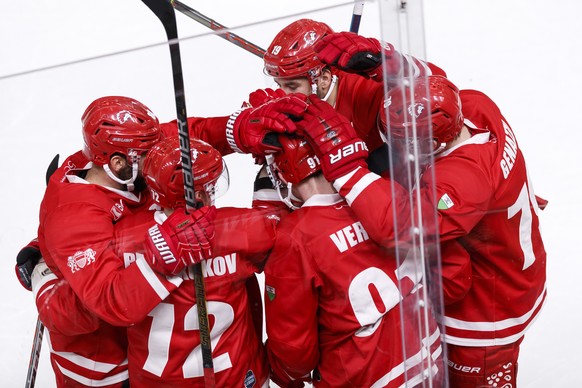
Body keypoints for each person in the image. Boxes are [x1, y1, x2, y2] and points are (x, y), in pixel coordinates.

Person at [289, 76, 547, 387]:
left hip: (487, 314)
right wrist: (378, 60)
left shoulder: (461, 182)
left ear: (433, 144)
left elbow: (394, 226)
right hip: (512, 270)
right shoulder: (476, 105)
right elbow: (430, 86)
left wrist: (347, 167)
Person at [34, 96, 215, 387]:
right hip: (101, 367)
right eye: (148, 156)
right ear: (118, 163)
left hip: (143, 349)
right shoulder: (75, 216)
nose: (158, 159)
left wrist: (239, 130)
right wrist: (166, 254)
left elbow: (181, 140)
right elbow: (110, 300)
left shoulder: (114, 160)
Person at [260, 121, 444, 385]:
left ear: (284, 174)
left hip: (363, 377)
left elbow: (295, 350)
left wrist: (286, 374)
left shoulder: (295, 238)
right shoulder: (383, 193)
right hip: (428, 362)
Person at [256, 19, 447, 175]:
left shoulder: (366, 89)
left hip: (395, 193)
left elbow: (436, 85)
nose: (282, 95)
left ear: (323, 78)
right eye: (279, 84)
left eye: (291, 86)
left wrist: (386, 61)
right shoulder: (290, 107)